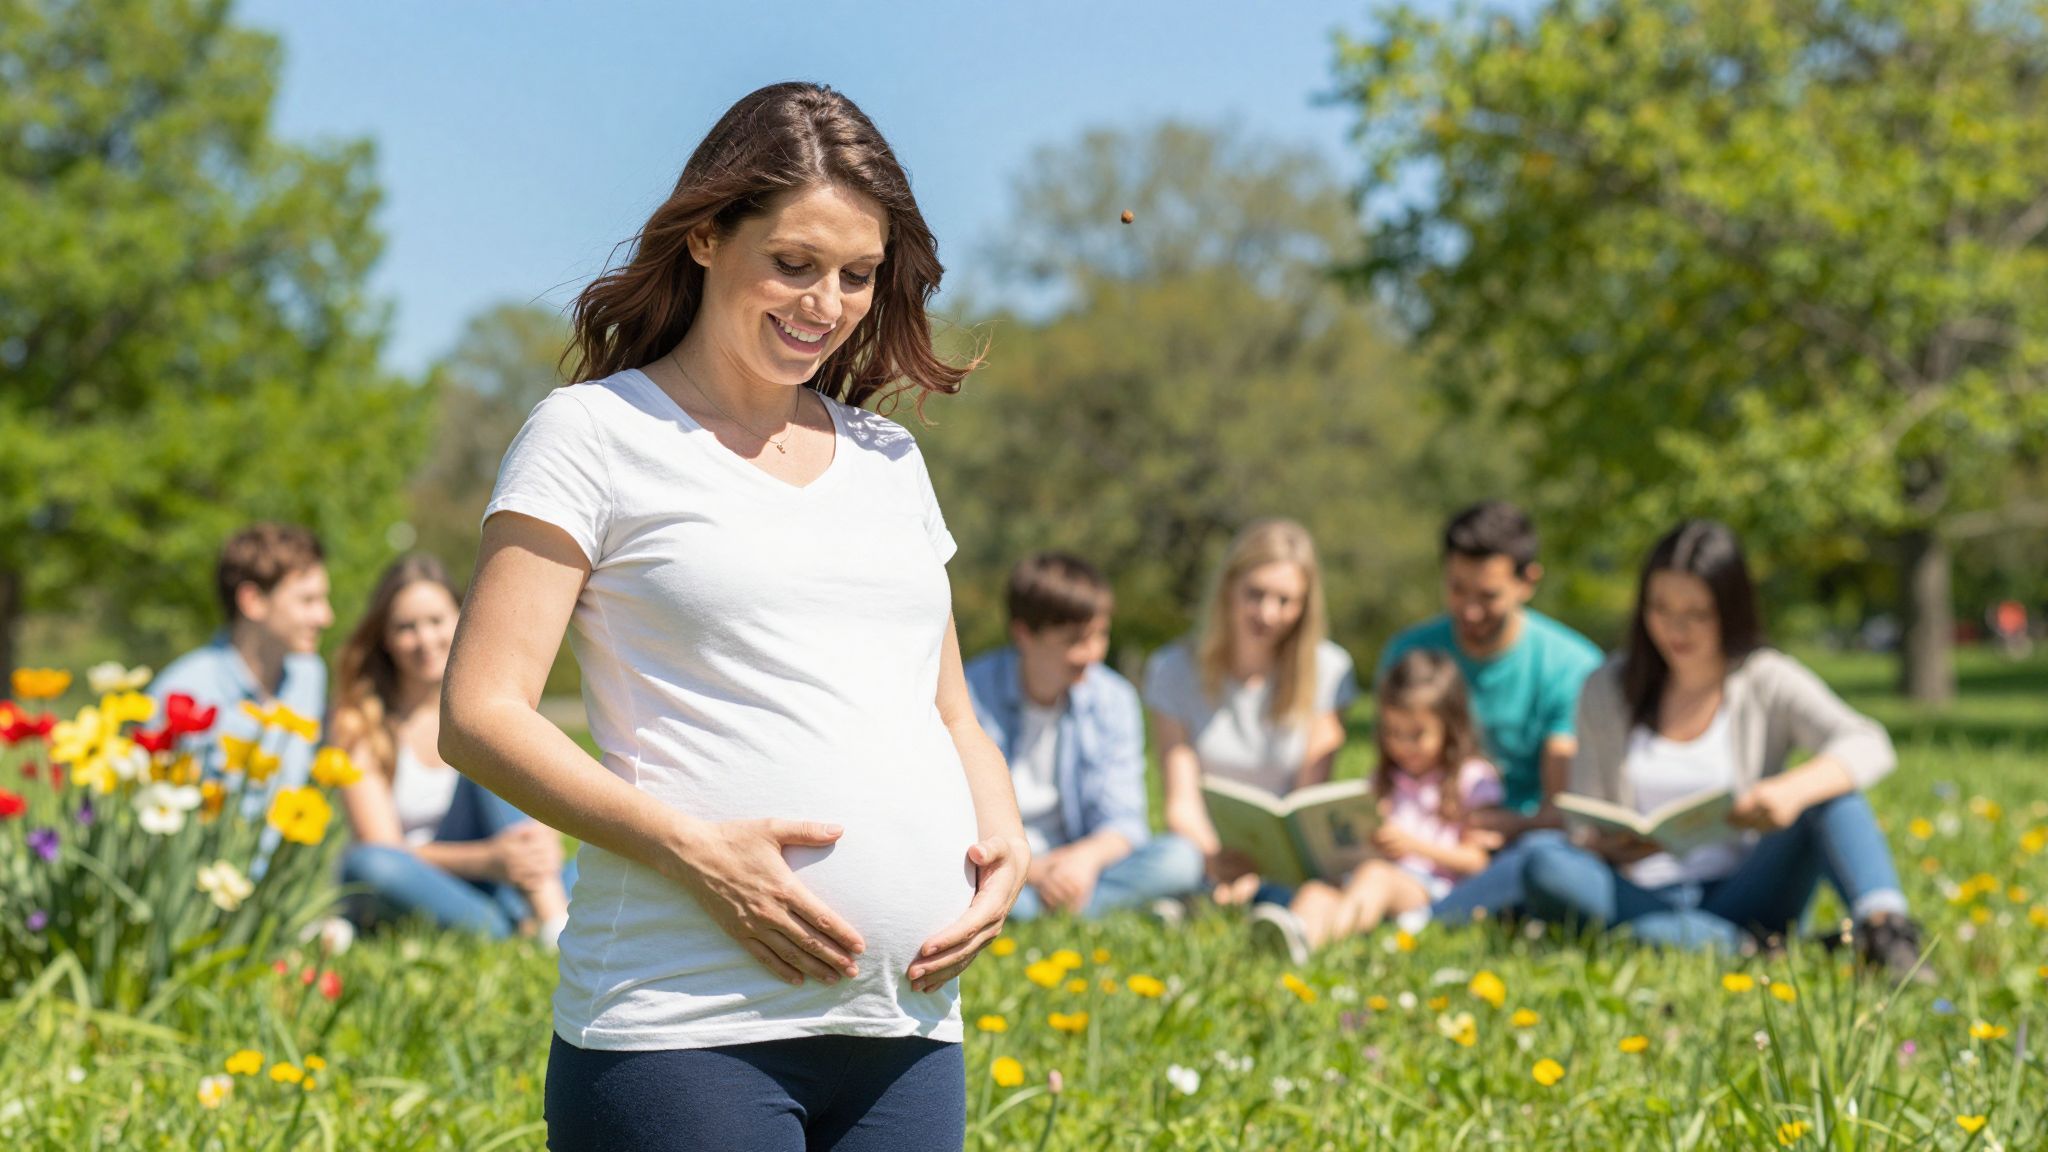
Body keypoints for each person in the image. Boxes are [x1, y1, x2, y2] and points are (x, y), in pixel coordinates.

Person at [438, 83, 1025, 1152]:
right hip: (683, 1026)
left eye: (857, 274)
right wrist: (693, 850)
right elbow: (480, 714)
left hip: (905, 1027)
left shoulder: (891, 459)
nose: (826, 304)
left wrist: (1006, 846)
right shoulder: (592, 434)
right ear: (706, 236)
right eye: (794, 263)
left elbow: (948, 712)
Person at [1515, 521, 1927, 975]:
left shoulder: (1764, 677)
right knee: (1544, 862)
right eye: (1660, 608)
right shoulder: (1605, 688)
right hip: (1642, 895)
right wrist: (1610, 845)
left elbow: (1868, 742)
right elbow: (1582, 819)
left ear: (1729, 609)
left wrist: (1789, 791)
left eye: (1698, 613)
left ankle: (1886, 932)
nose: (1676, 629)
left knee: (1833, 795)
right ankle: (1745, 949)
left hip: (1746, 889)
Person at [1376, 502, 1602, 924]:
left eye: (1488, 595)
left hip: (1521, 843)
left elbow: (1565, 809)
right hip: (1424, 842)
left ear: (1527, 582)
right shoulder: (1409, 653)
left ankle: (1434, 916)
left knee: (1545, 860)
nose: (1470, 610)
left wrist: (1513, 825)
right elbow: (1387, 770)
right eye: (1457, 589)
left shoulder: (1571, 667)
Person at [329, 554, 573, 942]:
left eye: (436, 621)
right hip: (426, 885)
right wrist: (489, 860)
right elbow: (384, 847)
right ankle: (535, 923)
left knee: (486, 730)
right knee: (367, 865)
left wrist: (538, 850)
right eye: (406, 628)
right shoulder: (359, 722)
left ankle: (547, 918)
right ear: (385, 638)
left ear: (461, 620)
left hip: (510, 879)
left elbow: (532, 823)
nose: (425, 640)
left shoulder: (490, 703)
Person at [964, 553, 1205, 921]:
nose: (1093, 653)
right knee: (960, 876)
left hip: (1079, 866)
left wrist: (1083, 860)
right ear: (1024, 634)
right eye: (1076, 640)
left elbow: (1124, 822)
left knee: (1181, 859)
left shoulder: (1113, 698)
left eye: (1101, 635)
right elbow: (956, 819)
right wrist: (1032, 870)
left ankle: (1030, 911)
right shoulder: (970, 693)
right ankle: (1101, 907)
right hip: (998, 863)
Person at [1144, 519, 1358, 906]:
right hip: (1203, 849)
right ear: (1229, 588)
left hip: (1286, 857)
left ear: (1304, 606)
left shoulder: (1329, 670)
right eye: (1255, 594)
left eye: (1285, 601)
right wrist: (1216, 859)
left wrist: (1266, 867)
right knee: (1172, 861)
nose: (1268, 613)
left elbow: (1307, 800)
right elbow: (1180, 803)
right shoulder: (1173, 669)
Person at [1251, 651, 1502, 961]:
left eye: (1417, 734)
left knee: (1375, 876)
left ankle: (1317, 944)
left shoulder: (1472, 778)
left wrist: (1413, 846)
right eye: (1394, 733)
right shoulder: (1385, 780)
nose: (1404, 745)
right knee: (1316, 891)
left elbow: (1478, 862)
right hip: (1369, 878)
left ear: (1450, 727)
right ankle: (1291, 942)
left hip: (1433, 891)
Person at [151, 522, 334, 807]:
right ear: (253, 601)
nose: (325, 617)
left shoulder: (309, 675)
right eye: (308, 601)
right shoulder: (182, 692)